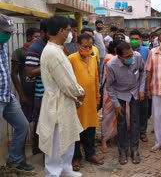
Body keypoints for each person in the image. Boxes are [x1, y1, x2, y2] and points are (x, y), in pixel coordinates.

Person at [37, 15, 85, 177]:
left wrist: (76, 91)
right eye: (69, 30)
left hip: (65, 101)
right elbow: (65, 82)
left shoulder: (57, 50)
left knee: (68, 137)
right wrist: (79, 93)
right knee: (56, 141)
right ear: (61, 31)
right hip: (57, 102)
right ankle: (53, 173)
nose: (71, 34)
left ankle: (66, 170)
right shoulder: (52, 52)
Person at [0, 14, 35, 174]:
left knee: (22, 125)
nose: (8, 35)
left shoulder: (3, 47)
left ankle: (13, 161)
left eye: (10, 32)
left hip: (7, 96)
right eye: (5, 32)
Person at [106, 41, 146, 165]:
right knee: (121, 122)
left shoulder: (137, 57)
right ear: (119, 56)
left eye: (131, 55)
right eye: (127, 57)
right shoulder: (111, 65)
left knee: (135, 121)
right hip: (119, 94)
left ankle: (134, 150)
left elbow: (142, 72)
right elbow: (110, 86)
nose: (130, 58)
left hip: (134, 91)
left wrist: (141, 90)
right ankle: (122, 151)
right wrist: (116, 104)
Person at [68, 34, 104, 171]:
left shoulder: (93, 58)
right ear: (78, 46)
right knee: (76, 129)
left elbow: (96, 79)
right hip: (77, 101)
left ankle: (90, 154)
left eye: (90, 47)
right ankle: (75, 158)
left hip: (90, 100)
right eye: (85, 47)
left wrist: (97, 97)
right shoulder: (71, 59)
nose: (87, 49)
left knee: (90, 128)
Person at [11, 27, 40, 154]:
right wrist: (21, 95)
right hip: (26, 94)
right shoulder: (19, 52)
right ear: (28, 37)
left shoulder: (40, 51)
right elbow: (14, 74)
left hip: (38, 93)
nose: (38, 40)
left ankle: (36, 148)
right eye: (35, 37)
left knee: (39, 122)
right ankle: (20, 152)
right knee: (23, 124)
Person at [101, 40, 130, 153]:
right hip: (110, 91)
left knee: (123, 113)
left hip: (123, 90)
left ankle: (116, 136)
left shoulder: (123, 59)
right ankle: (104, 139)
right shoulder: (109, 58)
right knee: (108, 115)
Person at [25, 19, 49, 155]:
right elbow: (30, 72)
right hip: (42, 93)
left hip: (51, 93)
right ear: (43, 32)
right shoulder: (35, 47)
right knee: (42, 125)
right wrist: (49, 64)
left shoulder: (52, 45)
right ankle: (40, 152)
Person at [129, 30, 150, 142]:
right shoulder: (126, 50)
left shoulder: (147, 51)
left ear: (141, 40)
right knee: (132, 110)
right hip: (129, 86)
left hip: (143, 84)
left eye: (136, 38)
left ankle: (142, 131)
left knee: (143, 109)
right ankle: (132, 131)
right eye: (132, 38)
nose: (134, 40)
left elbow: (149, 69)